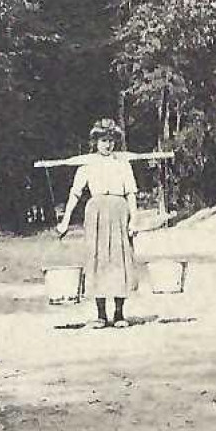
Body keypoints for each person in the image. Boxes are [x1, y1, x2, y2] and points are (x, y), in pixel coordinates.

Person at [56, 118, 141, 327]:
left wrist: (134, 220)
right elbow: (75, 194)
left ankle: (119, 313)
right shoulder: (87, 165)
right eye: (103, 140)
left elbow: (131, 194)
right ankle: (101, 314)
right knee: (98, 259)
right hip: (96, 214)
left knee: (119, 260)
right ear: (95, 142)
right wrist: (65, 221)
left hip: (119, 212)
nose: (107, 144)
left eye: (111, 140)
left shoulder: (122, 164)